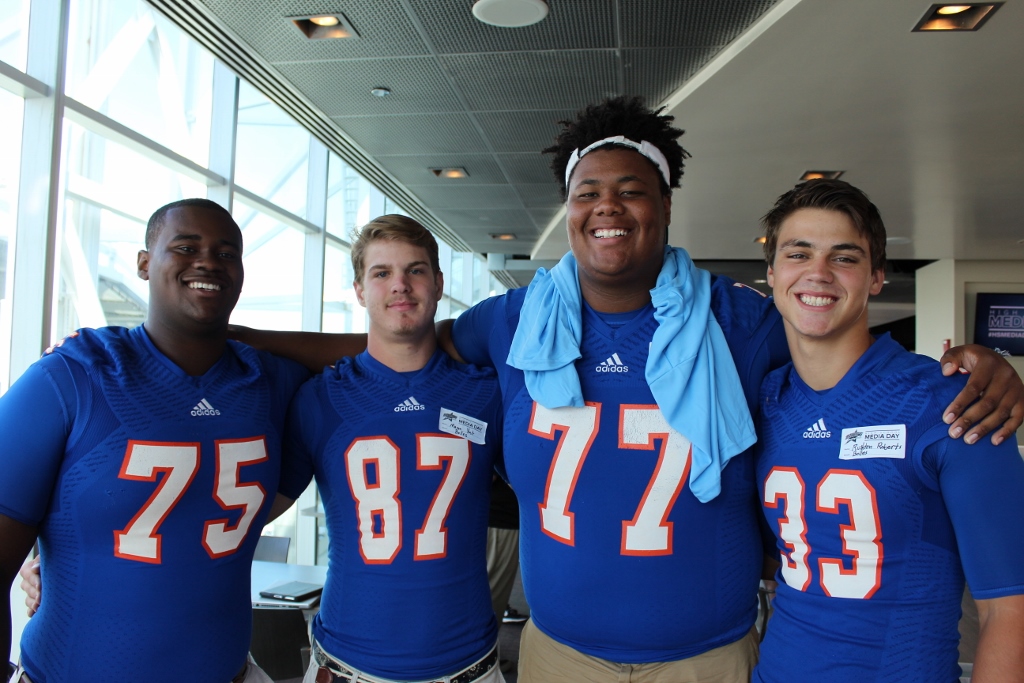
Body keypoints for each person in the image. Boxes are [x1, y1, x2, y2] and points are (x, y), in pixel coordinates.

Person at [228, 97, 1024, 682]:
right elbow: (398, 346)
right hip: (559, 654)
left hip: (707, 657)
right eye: (588, 191)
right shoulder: (515, 321)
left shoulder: (738, 321)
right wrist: (242, 339)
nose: (608, 205)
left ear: (666, 204)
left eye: (632, 189)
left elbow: (837, 352)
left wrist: (976, 364)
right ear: (569, 209)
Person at [0, 199, 309, 683]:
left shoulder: (272, 382)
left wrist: (251, 336)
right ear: (144, 263)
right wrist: (64, 546)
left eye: (226, 253)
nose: (208, 262)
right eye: (186, 247)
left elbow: (399, 346)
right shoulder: (74, 376)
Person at [753, 179, 1024, 683]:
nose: (818, 272)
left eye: (844, 257)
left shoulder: (953, 403)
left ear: (876, 277)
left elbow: (1009, 609)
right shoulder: (764, 398)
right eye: (799, 253)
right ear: (772, 274)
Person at [279, 216, 505, 683]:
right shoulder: (318, 399)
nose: (400, 285)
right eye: (382, 273)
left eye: (415, 270)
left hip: (469, 665)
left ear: (438, 283)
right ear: (360, 290)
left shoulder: (486, 393)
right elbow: (251, 515)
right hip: (347, 665)